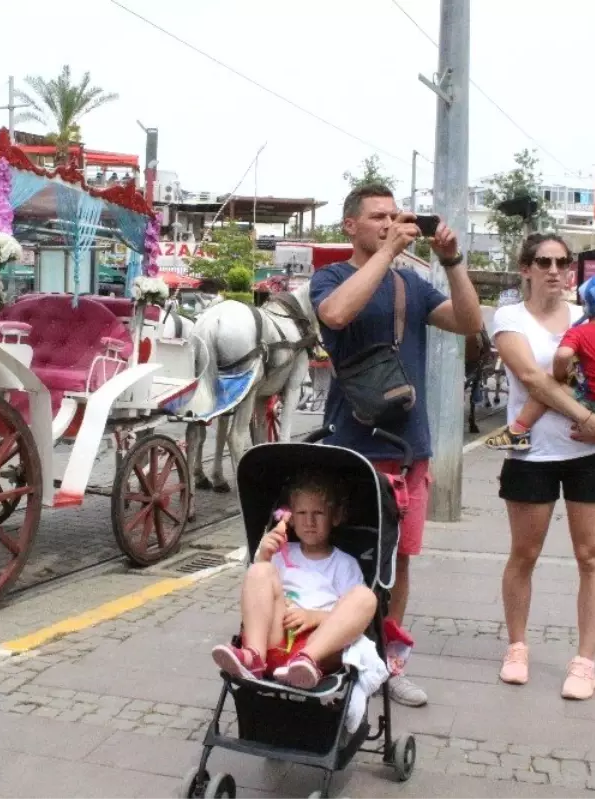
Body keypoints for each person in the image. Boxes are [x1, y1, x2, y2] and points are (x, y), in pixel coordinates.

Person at [310, 184, 483, 706]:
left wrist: (452, 262)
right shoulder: (332, 276)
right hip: (353, 447)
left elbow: (470, 324)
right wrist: (387, 254)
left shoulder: (413, 284)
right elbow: (336, 315)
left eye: (395, 217)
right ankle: (330, 657)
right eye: (378, 217)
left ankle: (387, 664)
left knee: (398, 563)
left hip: (409, 448)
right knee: (343, 558)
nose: (389, 224)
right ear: (350, 226)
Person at [490, 234, 595, 701]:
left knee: (591, 557)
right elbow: (532, 377)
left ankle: (585, 662)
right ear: (525, 268)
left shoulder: (589, 312)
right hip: (533, 455)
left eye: (562, 262)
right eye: (543, 261)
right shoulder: (509, 317)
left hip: (592, 455)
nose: (554, 270)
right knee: (523, 555)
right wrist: (586, 417)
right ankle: (517, 647)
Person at [211, 470, 377, 689]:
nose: (309, 521)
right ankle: (254, 657)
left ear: (335, 517)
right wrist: (263, 557)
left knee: (365, 597)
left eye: (318, 513)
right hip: (276, 637)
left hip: (319, 646)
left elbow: (352, 619)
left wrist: (315, 617)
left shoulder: (344, 564)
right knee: (259, 572)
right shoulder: (281, 553)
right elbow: (258, 597)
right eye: (301, 513)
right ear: (290, 518)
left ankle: (305, 660)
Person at [485, 274, 595, 452]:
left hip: (592, 401)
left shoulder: (579, 331)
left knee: (546, 387)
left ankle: (518, 431)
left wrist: (559, 374)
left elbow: (563, 355)